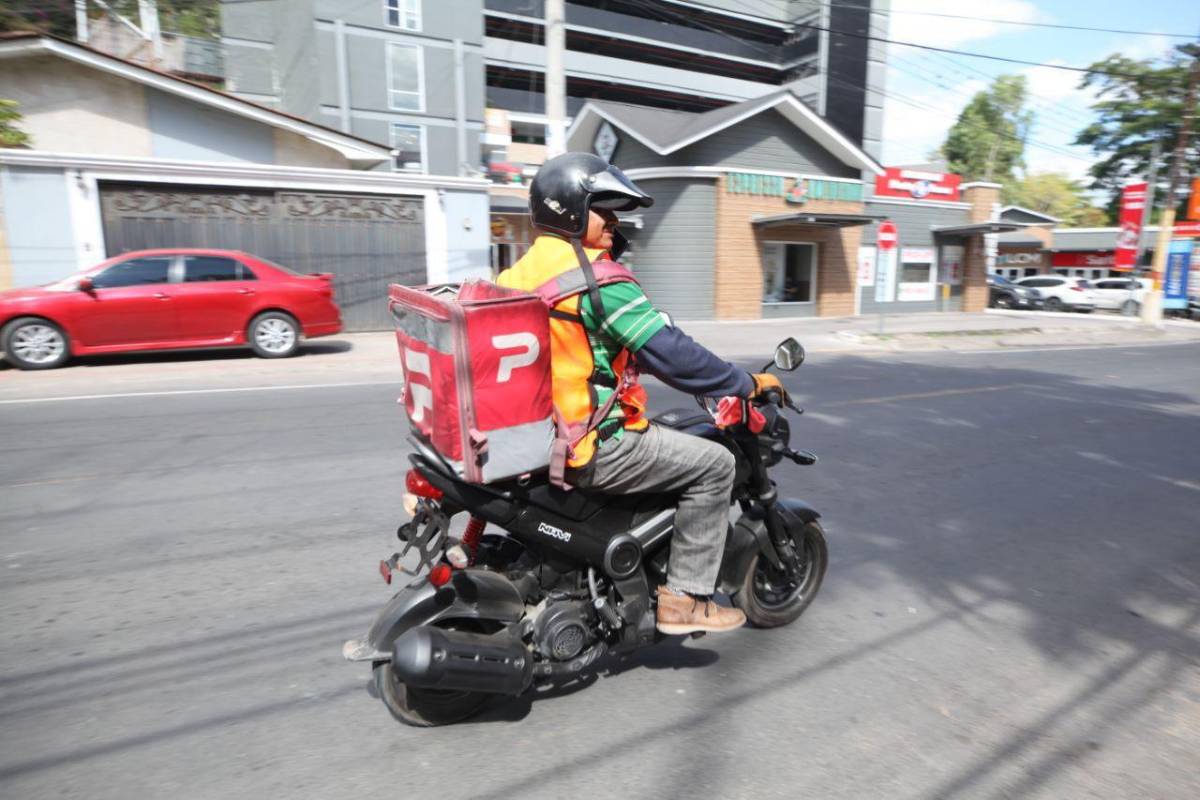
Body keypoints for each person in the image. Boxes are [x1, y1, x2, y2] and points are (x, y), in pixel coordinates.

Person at [497, 152, 785, 635]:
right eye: (602, 210)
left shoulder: (515, 275)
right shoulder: (596, 280)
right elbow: (672, 353)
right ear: (569, 210)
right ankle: (685, 600)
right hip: (594, 442)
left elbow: (603, 345)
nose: (614, 221)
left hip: (535, 437)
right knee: (717, 465)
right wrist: (745, 382)